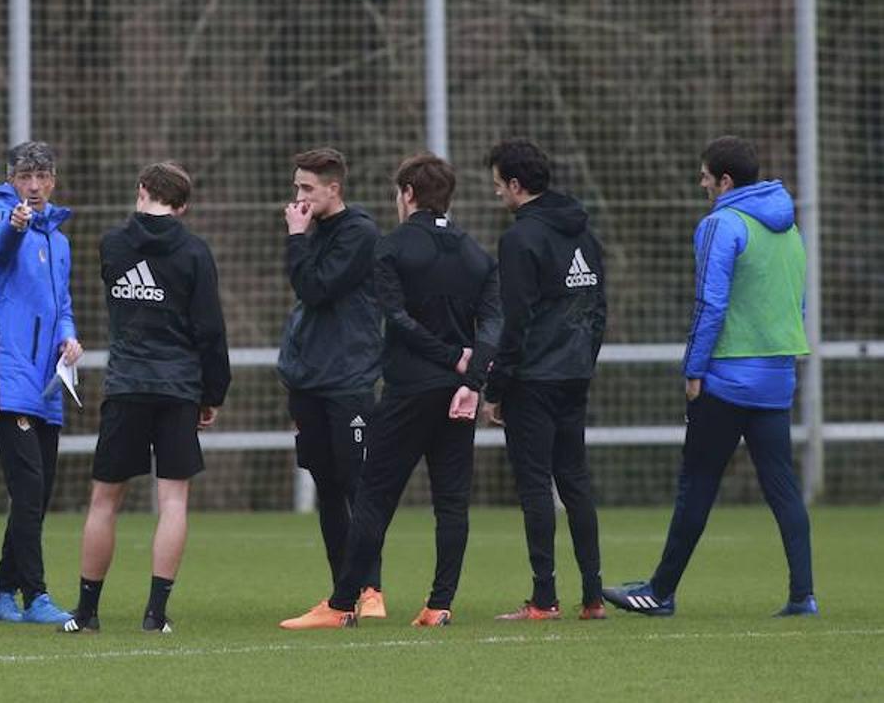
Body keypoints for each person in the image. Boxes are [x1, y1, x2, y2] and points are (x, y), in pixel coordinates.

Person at [281, 153, 501, 629]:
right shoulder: (476, 254)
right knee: (451, 501)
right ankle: (439, 605)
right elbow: (493, 323)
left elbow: (397, 318)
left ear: (407, 194)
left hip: (408, 391)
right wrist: (472, 378)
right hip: (459, 395)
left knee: (374, 498)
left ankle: (342, 605)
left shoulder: (392, 247)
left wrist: (448, 359)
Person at [604, 136, 817, 618]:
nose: (700, 184)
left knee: (697, 483)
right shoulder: (789, 227)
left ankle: (659, 591)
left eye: (704, 176)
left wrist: (694, 368)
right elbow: (795, 303)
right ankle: (803, 595)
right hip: (777, 376)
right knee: (782, 484)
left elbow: (710, 303)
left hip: (725, 379)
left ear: (725, 181)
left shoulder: (721, 224)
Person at [60, 162, 230, 634]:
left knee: (103, 501)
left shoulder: (112, 245)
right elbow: (210, 330)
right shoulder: (195, 253)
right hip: (177, 387)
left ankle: (87, 612)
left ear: (141, 191)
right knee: (172, 500)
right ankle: (155, 614)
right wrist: (212, 391)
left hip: (127, 384)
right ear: (183, 205)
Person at [483, 139, 608, 621]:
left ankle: (544, 598)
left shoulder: (520, 240)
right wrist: (583, 360)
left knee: (536, 487)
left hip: (532, 379)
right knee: (575, 483)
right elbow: (598, 310)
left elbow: (516, 321)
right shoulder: (585, 234)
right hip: (573, 375)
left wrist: (496, 388)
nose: (497, 195)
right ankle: (593, 597)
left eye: (498, 186)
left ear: (516, 185)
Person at [0, 141, 79, 625]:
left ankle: (0, 593)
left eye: (41, 177)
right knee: (29, 487)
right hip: (9, 375)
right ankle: (36, 595)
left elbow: (62, 304)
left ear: (53, 179)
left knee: (40, 492)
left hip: (47, 383)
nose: (33, 187)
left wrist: (69, 339)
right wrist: (15, 228)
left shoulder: (58, 236)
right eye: (25, 177)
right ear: (11, 178)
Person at [277, 148, 386, 616]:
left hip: (348, 378)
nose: (298, 197)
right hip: (309, 380)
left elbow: (317, 287)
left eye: (307, 188)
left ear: (333, 189)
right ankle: (342, 589)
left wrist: (296, 238)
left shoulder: (358, 232)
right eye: (296, 187)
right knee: (326, 486)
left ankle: (370, 589)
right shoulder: (313, 232)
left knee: (358, 484)